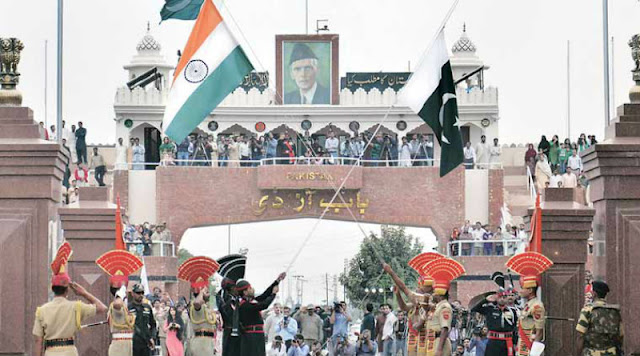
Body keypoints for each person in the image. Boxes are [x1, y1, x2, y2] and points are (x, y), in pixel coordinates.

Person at [33, 242, 107, 356]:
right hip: (70, 352)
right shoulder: (76, 307)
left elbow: (38, 340)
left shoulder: (41, 311)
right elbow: (102, 308)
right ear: (68, 289)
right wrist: (84, 293)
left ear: (52, 288)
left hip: (51, 352)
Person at [95, 249, 144, 356]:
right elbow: (118, 304)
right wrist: (120, 293)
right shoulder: (117, 304)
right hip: (120, 347)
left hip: (127, 345)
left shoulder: (124, 304)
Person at [506, 252, 552, 356]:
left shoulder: (537, 306)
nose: (520, 291)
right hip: (522, 344)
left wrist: (533, 352)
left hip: (530, 346)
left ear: (530, 290)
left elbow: (539, 331)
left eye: (523, 288)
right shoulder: (528, 305)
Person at [420, 257, 465, 356]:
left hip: (440, 342)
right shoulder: (436, 306)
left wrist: (439, 349)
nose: (433, 295)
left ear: (440, 294)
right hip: (432, 341)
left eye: (435, 293)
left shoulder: (445, 307)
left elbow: (444, 329)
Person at [237, 273, 286, 356]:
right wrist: (273, 294)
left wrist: (277, 281)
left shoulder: (251, 301)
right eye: (249, 288)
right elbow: (264, 305)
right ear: (245, 292)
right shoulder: (244, 305)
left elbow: (265, 295)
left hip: (257, 335)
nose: (252, 289)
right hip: (251, 335)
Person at [179, 256, 219, 356]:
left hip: (208, 342)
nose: (207, 291)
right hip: (200, 342)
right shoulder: (195, 305)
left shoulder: (207, 307)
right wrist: (201, 291)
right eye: (205, 289)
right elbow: (197, 303)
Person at [576, 280, 623, 356]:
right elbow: (621, 335)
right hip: (611, 352)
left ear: (594, 293)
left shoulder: (588, 310)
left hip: (592, 353)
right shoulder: (615, 311)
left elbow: (580, 336)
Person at [470, 289, 518, 356]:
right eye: (500, 297)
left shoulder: (513, 311)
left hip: (507, 341)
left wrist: (515, 342)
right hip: (493, 341)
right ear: (496, 298)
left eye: (504, 297)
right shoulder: (490, 309)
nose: (502, 299)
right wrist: (486, 300)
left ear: (507, 299)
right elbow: (474, 309)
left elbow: (515, 327)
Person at [129, 283, 157, 356]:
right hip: (133, 342)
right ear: (133, 293)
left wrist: (152, 338)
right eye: (138, 293)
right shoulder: (128, 308)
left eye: (142, 293)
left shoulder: (147, 307)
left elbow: (153, 324)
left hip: (146, 342)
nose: (141, 295)